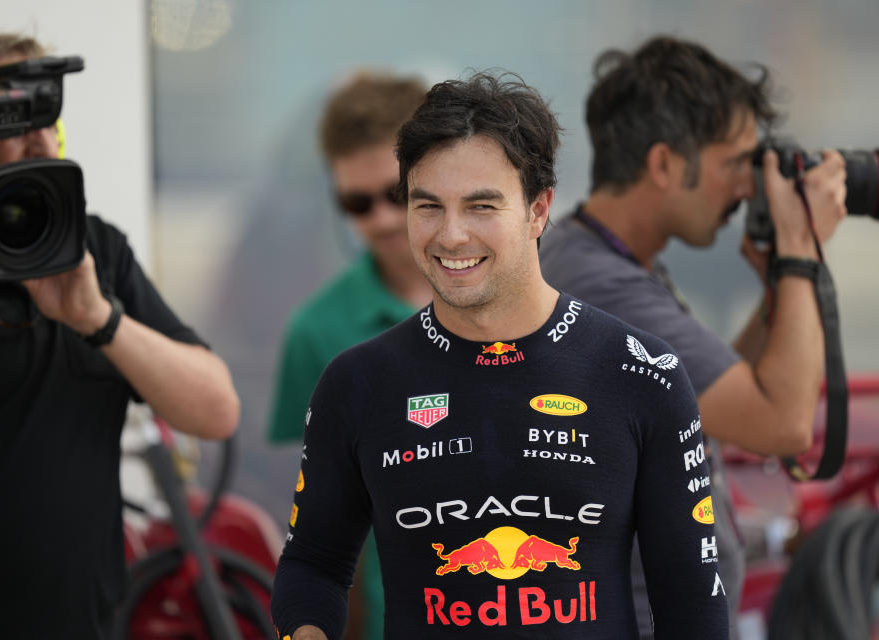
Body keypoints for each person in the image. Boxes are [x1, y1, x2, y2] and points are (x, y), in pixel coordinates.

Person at [271, 72, 729, 639]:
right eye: (428, 205)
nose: (451, 235)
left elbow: (693, 605)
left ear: (538, 210)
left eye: (481, 205)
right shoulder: (357, 383)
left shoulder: (641, 374)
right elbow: (313, 565)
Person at [0, 27, 240, 639]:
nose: (38, 140)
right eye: (7, 119)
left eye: (47, 112)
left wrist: (100, 320)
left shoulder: (94, 251)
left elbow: (217, 410)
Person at [538, 36, 847, 639]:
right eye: (735, 162)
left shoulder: (601, 260)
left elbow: (718, 393)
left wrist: (779, 286)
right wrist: (801, 252)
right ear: (663, 165)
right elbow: (780, 423)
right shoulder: (604, 288)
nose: (746, 187)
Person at [267, 71, 430, 639]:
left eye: (395, 193)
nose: (381, 219)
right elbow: (318, 530)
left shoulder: (518, 302)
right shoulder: (316, 329)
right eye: (356, 203)